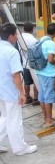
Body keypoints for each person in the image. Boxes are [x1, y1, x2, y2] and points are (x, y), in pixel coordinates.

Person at [0, 23, 38, 155]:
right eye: (16, 34)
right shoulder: (12, 51)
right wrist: (22, 92)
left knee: (5, 117)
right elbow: (15, 74)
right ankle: (19, 148)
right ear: (10, 36)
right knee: (14, 119)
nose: (17, 36)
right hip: (10, 91)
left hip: (1, 91)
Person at [36, 23, 55, 129]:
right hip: (48, 73)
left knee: (42, 96)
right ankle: (49, 121)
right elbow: (50, 59)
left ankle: (46, 119)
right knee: (48, 97)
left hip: (40, 72)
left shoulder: (41, 40)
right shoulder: (51, 43)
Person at [20, 21, 40, 106]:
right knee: (36, 81)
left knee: (26, 82)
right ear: (32, 29)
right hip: (33, 65)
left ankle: (27, 97)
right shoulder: (34, 40)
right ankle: (36, 99)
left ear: (24, 28)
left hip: (24, 64)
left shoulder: (20, 38)